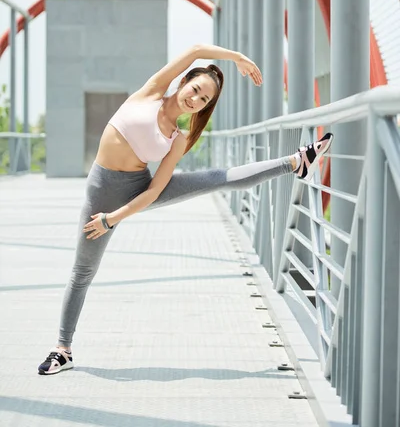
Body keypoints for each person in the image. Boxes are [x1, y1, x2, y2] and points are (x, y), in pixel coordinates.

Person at [38, 44, 333, 375]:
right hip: (101, 190)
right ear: (184, 81)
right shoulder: (150, 92)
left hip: (137, 190)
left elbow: (153, 191)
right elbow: (195, 51)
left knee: (215, 179)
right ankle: (62, 350)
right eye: (195, 90)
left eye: (203, 100)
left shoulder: (178, 138)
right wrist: (236, 58)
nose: (195, 100)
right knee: (83, 271)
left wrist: (114, 219)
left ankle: (295, 162)